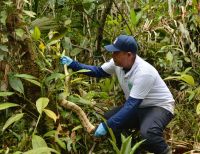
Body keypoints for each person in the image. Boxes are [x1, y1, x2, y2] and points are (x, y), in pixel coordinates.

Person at [60, 35, 174, 154]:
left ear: (129, 55)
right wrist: (73, 64)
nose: (113, 56)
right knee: (109, 119)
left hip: (159, 107)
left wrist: (106, 126)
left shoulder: (144, 73)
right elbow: (98, 71)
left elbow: (131, 105)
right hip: (139, 106)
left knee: (148, 134)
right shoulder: (117, 63)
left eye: (116, 53)